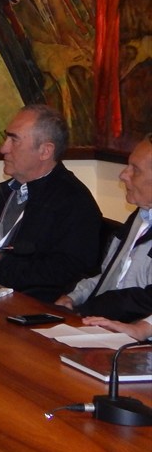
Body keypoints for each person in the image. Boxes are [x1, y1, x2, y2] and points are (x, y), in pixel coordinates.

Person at [0, 104, 101, 302]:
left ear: (45, 151)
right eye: (6, 138)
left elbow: (66, 271)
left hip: (17, 302)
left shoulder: (74, 203)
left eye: (14, 140)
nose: (3, 148)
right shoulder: (9, 190)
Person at [56, 133, 152, 322]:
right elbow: (110, 277)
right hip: (100, 322)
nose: (123, 175)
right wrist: (74, 297)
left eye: (135, 170)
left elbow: (142, 301)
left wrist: (91, 310)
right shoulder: (140, 216)